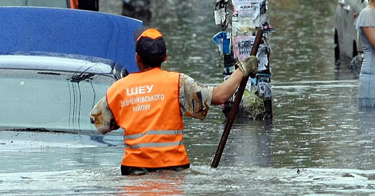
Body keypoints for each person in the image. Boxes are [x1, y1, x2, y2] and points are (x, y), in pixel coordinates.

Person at [90, 27, 258, 175]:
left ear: (137, 58)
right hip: (175, 170)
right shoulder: (178, 83)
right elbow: (220, 95)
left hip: (134, 171)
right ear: (165, 57)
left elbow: (98, 122)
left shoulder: (119, 88)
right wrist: (242, 69)